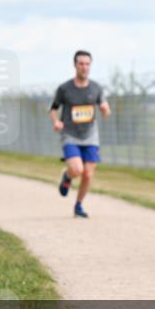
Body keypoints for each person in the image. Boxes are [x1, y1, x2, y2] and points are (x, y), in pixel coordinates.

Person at [50, 50, 111, 218]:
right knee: (77, 169)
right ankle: (67, 176)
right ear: (75, 65)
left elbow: (106, 111)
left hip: (90, 135)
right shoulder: (64, 89)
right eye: (81, 64)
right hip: (70, 134)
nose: (84, 67)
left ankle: (78, 205)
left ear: (90, 66)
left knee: (88, 173)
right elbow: (53, 109)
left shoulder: (96, 88)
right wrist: (56, 121)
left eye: (87, 64)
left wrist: (105, 110)